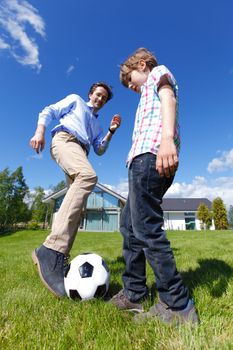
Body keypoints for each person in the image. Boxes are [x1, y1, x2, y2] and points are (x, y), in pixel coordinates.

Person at [110, 48, 198, 325]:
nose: (131, 86)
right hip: (141, 159)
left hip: (152, 155)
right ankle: (134, 292)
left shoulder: (158, 74)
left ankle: (177, 304)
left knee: (146, 228)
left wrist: (167, 140)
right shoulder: (145, 90)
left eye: (130, 80)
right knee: (129, 226)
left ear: (143, 65)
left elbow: (168, 98)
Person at [30, 82, 121, 297]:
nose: (100, 99)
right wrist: (39, 132)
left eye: (104, 98)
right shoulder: (76, 101)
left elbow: (99, 149)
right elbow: (49, 111)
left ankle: (59, 259)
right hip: (64, 140)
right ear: (91, 94)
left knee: (77, 210)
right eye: (98, 94)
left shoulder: (97, 126)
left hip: (81, 151)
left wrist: (110, 132)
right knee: (88, 176)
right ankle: (51, 250)